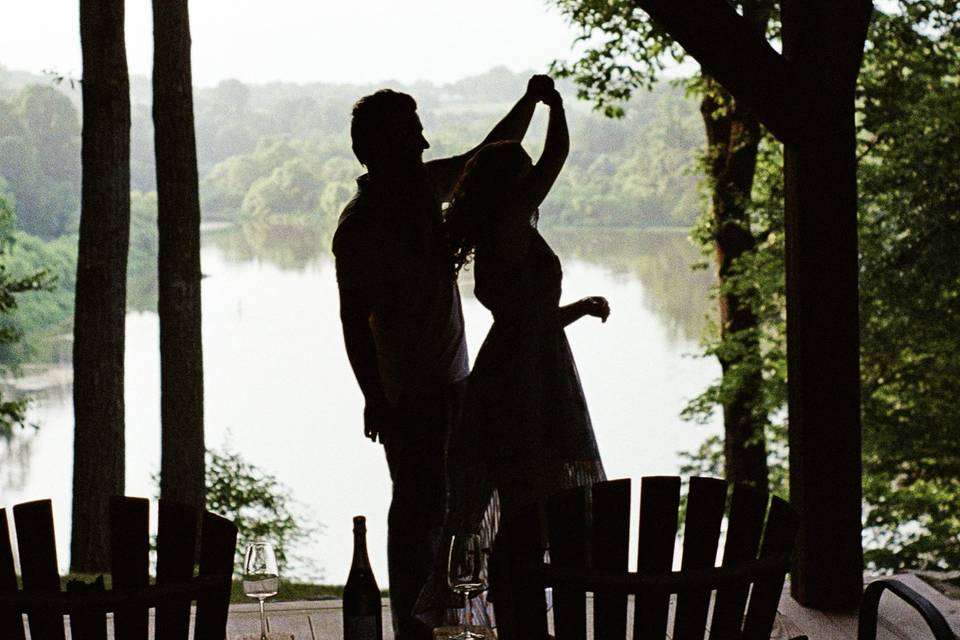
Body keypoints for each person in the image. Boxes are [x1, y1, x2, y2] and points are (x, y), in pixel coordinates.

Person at [332, 77, 554, 640]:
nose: (426, 144)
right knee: (417, 515)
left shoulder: (424, 189)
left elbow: (487, 155)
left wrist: (529, 104)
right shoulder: (360, 226)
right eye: (413, 134)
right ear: (382, 145)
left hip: (458, 381)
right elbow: (353, 320)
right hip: (411, 393)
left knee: (458, 510)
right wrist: (374, 397)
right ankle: (414, 628)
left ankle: (446, 619)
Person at [424, 79, 608, 637]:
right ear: (511, 185)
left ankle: (521, 620)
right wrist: (553, 106)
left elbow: (524, 317)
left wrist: (575, 309)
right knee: (540, 509)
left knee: (528, 504)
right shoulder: (510, 222)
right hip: (529, 379)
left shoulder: (493, 233)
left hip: (516, 363)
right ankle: (527, 621)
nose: (534, 180)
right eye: (523, 173)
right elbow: (558, 155)